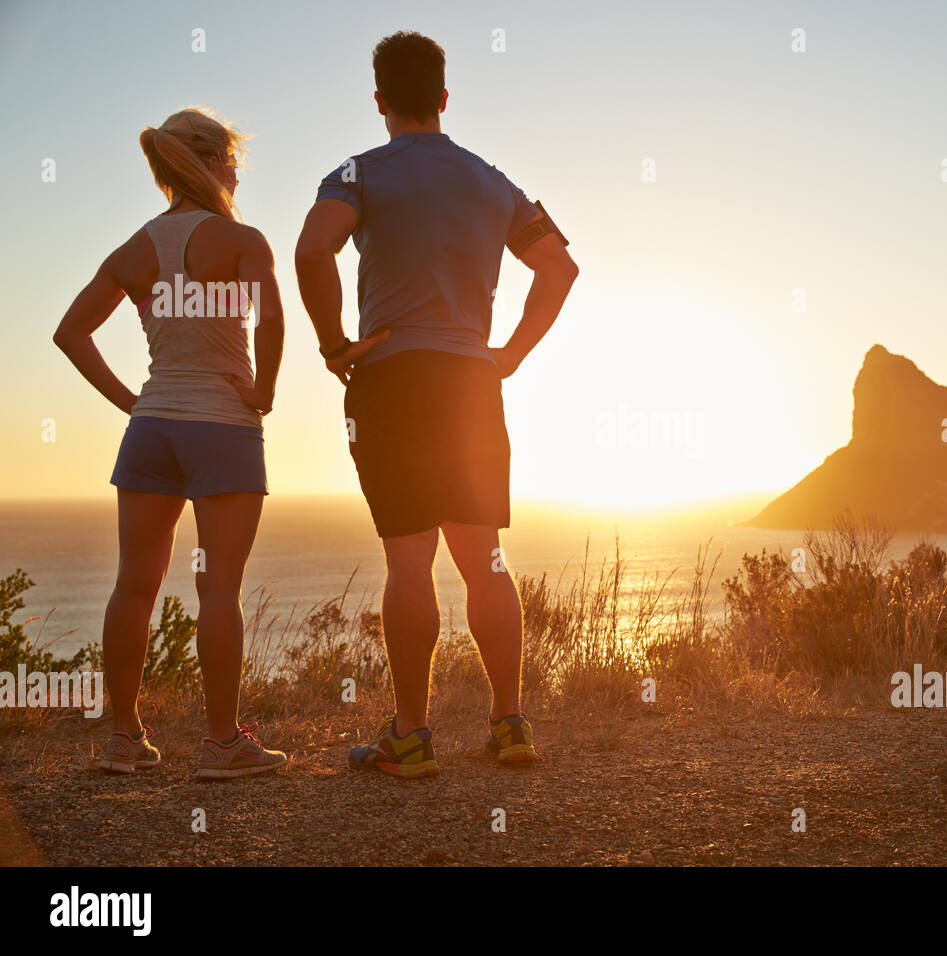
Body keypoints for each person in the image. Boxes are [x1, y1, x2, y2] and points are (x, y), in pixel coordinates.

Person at [295, 32, 578, 778]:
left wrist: (333, 345)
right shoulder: (492, 182)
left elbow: (311, 250)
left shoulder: (357, 174)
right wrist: (510, 354)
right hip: (470, 382)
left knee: (409, 563)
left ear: (381, 101)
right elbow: (560, 265)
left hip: (391, 378)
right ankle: (511, 726)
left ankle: (412, 738)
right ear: (445, 99)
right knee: (486, 560)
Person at [53, 107, 288, 779]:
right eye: (233, 160)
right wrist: (264, 390)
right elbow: (271, 320)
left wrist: (135, 402)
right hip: (223, 425)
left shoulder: (134, 249)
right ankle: (221, 746)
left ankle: (124, 740)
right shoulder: (241, 240)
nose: (237, 171)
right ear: (212, 164)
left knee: (134, 586)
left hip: (152, 428)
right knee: (218, 588)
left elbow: (71, 332)